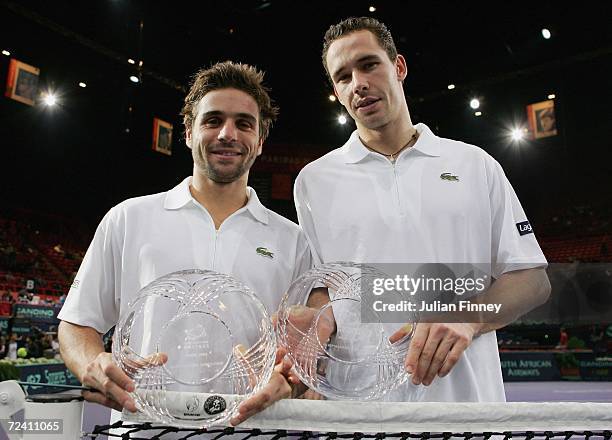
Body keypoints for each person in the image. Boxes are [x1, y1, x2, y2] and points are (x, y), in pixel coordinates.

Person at [292, 17, 551, 402]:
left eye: (368, 64)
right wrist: (315, 336)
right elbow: (323, 290)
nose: (358, 83)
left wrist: (468, 318)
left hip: (465, 407)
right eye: (343, 76)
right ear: (336, 90)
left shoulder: (474, 164)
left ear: (398, 67)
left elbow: (533, 280)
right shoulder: (313, 181)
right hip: (359, 412)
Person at [57, 61, 311, 423]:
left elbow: (303, 351)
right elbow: (77, 324)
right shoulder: (129, 218)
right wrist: (92, 364)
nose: (228, 133)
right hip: (143, 429)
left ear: (260, 142)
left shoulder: (293, 240)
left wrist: (291, 379)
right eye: (213, 120)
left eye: (244, 123)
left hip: (253, 430)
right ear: (189, 131)